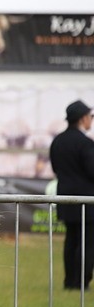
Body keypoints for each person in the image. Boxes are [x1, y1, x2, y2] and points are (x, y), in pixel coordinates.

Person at [49, 100, 94, 290]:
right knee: (88, 242)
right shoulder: (85, 144)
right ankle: (81, 282)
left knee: (71, 240)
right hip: (86, 201)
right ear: (83, 118)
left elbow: (55, 168)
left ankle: (69, 281)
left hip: (65, 198)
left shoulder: (57, 141)